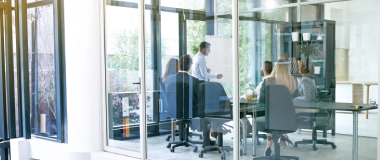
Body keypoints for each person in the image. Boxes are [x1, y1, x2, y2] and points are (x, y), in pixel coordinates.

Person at [165, 54, 216, 146]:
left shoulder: (169, 79)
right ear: (189, 66)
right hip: (191, 111)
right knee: (206, 110)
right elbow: (200, 98)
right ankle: (206, 141)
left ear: (179, 65)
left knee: (182, 109)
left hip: (173, 110)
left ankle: (182, 138)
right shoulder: (194, 80)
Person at [259, 58, 297, 157]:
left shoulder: (268, 81)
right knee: (275, 119)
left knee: (270, 117)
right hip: (288, 119)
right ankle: (282, 135)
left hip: (272, 119)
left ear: (275, 67)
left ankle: (268, 147)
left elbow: (261, 103)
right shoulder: (292, 82)